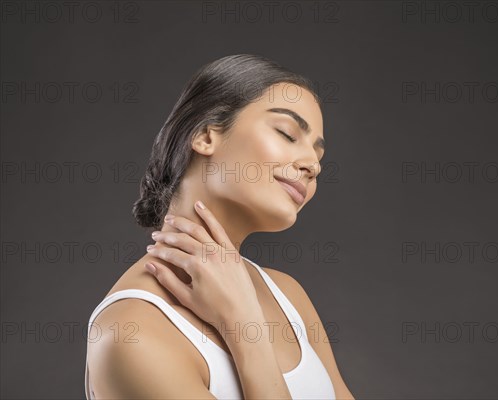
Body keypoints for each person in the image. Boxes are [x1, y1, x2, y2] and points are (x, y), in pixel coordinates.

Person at [84, 54, 354, 399]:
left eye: (319, 155)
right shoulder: (132, 332)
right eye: (288, 134)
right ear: (205, 135)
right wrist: (244, 328)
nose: (312, 165)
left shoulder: (288, 295)